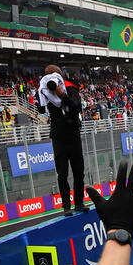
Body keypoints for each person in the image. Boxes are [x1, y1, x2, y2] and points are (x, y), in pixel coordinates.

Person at [38, 64, 85, 215]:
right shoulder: (46, 92)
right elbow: (40, 110)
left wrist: (62, 95)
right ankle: (66, 206)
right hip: (58, 136)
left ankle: (79, 203)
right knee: (62, 174)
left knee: (78, 172)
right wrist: (39, 94)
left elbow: (76, 108)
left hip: (73, 134)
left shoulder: (71, 90)